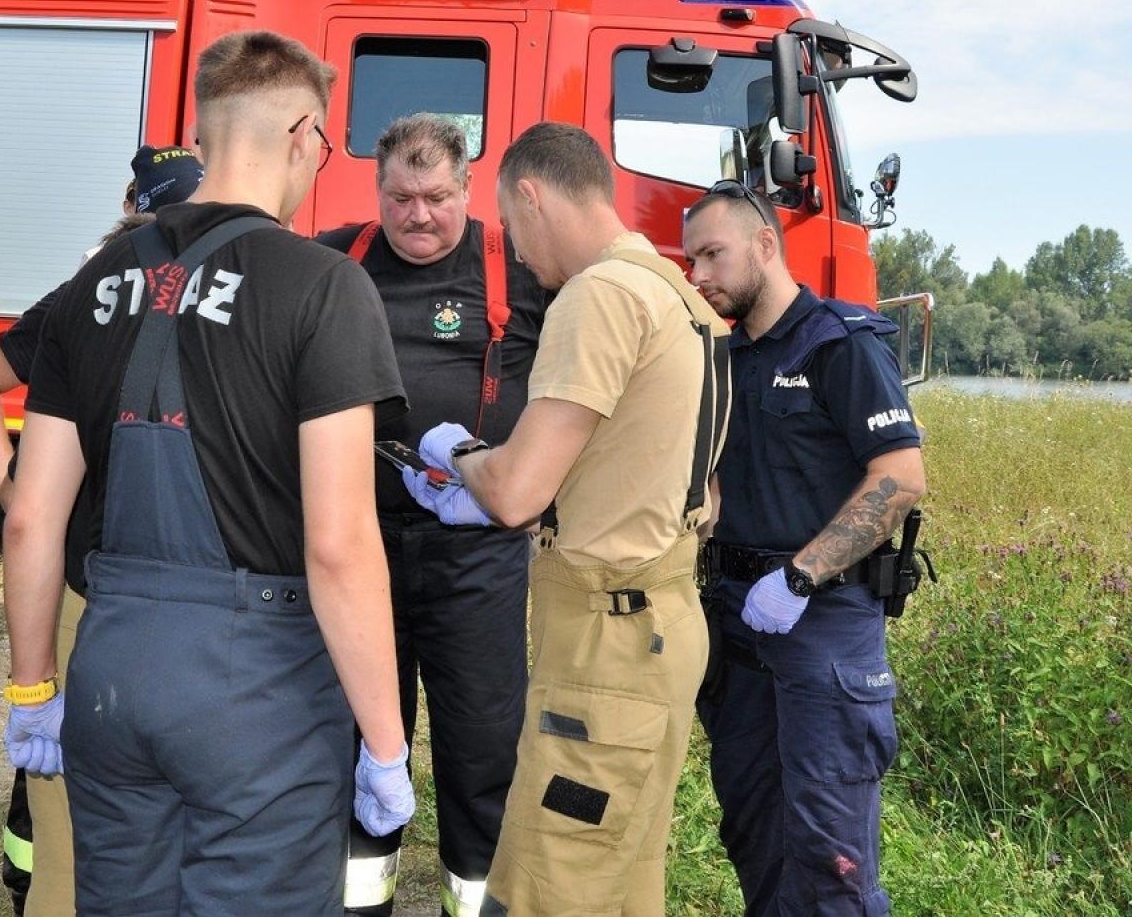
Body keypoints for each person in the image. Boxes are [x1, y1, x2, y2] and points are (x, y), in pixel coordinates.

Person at [1, 29, 416, 914]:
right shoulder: (324, 286)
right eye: (325, 147)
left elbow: (31, 517)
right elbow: (340, 546)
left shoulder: (95, 281)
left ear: (204, 136)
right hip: (257, 683)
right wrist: (385, 742)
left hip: (112, 666)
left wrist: (34, 689)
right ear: (305, 132)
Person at [408, 123, 730, 916]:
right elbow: (702, 488)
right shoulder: (678, 296)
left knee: (556, 882)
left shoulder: (598, 296)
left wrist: (460, 460)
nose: (516, 254)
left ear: (530, 195)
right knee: (622, 877)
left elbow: (515, 493)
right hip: (660, 623)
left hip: (605, 643)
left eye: (512, 231)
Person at [0, 143, 201, 917]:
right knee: (79, 830)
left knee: (87, 828)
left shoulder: (113, 291)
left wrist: (20, 491)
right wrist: (17, 490)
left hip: (109, 600)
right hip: (120, 599)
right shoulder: (96, 295)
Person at [316, 114, 545, 917]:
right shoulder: (332, 259)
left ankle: (476, 899)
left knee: (481, 747)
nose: (418, 216)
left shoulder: (517, 268)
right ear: (377, 190)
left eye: (437, 197)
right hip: (357, 548)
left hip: (475, 555)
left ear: (468, 187)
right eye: (401, 198)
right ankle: (355, 901)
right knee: (353, 742)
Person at [682, 181, 925, 916]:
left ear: (764, 245)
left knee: (831, 854)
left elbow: (899, 478)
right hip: (737, 621)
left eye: (712, 255)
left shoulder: (838, 344)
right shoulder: (724, 357)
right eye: (691, 260)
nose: (698, 276)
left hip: (821, 624)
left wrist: (799, 576)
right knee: (752, 827)